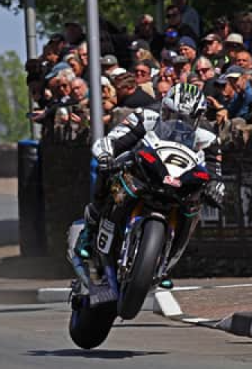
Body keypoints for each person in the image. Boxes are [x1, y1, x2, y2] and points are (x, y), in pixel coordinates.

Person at [75, 83, 225, 288]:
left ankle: (162, 263)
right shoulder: (145, 116)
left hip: (177, 179)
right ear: (164, 108)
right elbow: (113, 140)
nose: (179, 122)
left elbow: (215, 169)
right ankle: (90, 229)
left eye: (187, 119)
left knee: (195, 207)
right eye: (172, 115)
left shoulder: (208, 136)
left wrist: (215, 186)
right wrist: (106, 155)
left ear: (198, 118)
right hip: (142, 168)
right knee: (107, 171)